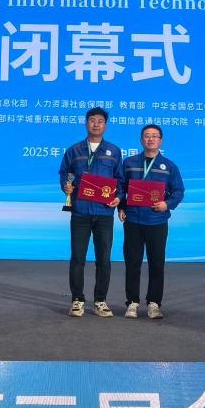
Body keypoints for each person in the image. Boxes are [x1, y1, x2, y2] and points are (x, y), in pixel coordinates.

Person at [58, 107, 122, 318]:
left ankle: (100, 301)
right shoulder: (74, 150)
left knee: (104, 259)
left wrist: (118, 197)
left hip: (104, 213)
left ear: (105, 125)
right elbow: (64, 174)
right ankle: (77, 300)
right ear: (86, 123)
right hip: (80, 212)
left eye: (100, 121)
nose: (96, 124)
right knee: (78, 258)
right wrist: (65, 187)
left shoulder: (114, 151)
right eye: (92, 120)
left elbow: (120, 181)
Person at [119, 123, 184, 319]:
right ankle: (132, 302)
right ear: (141, 140)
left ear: (161, 141)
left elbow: (179, 191)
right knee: (132, 263)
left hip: (157, 221)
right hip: (133, 220)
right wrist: (121, 207)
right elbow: (120, 187)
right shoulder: (129, 163)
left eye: (154, 136)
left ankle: (154, 303)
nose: (150, 139)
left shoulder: (169, 166)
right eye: (147, 135)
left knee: (156, 264)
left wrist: (167, 204)